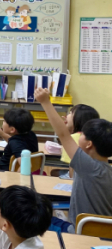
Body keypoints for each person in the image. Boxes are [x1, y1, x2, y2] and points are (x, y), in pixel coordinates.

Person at [35, 87, 112, 232]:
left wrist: (45, 102)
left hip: (81, 232)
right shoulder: (106, 170)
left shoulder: (89, 167)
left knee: (35, 219)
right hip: (104, 233)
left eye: (82, 134)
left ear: (89, 144)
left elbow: (63, 135)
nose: (78, 136)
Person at [56, 104, 99, 178]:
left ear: (78, 119)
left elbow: (72, 172)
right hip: (92, 175)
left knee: (54, 173)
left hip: (77, 178)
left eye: (70, 113)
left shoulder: (74, 138)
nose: (66, 116)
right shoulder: (96, 137)